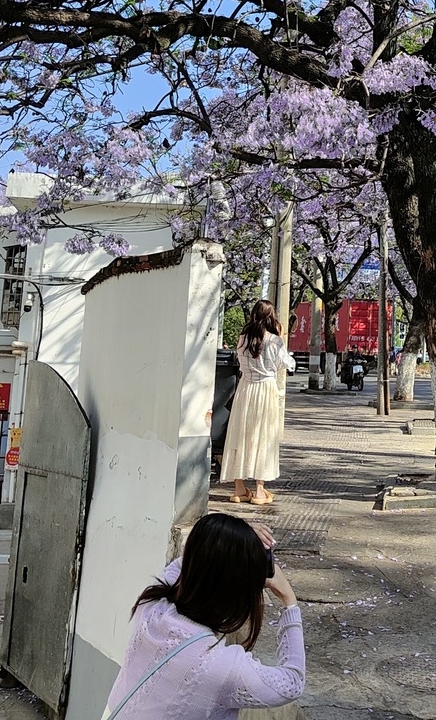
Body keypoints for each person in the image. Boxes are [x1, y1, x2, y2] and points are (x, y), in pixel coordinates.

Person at [103, 512, 303, 719]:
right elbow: (292, 682)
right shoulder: (224, 667)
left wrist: (227, 538)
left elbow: (187, 563)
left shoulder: (151, 606)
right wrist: (289, 600)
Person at [220, 301, 293, 505]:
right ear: (272, 317)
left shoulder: (243, 338)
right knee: (263, 436)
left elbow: (240, 362)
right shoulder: (275, 341)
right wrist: (283, 340)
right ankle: (260, 491)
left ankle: (239, 488)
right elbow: (286, 363)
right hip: (266, 390)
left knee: (240, 434)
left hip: (245, 389)